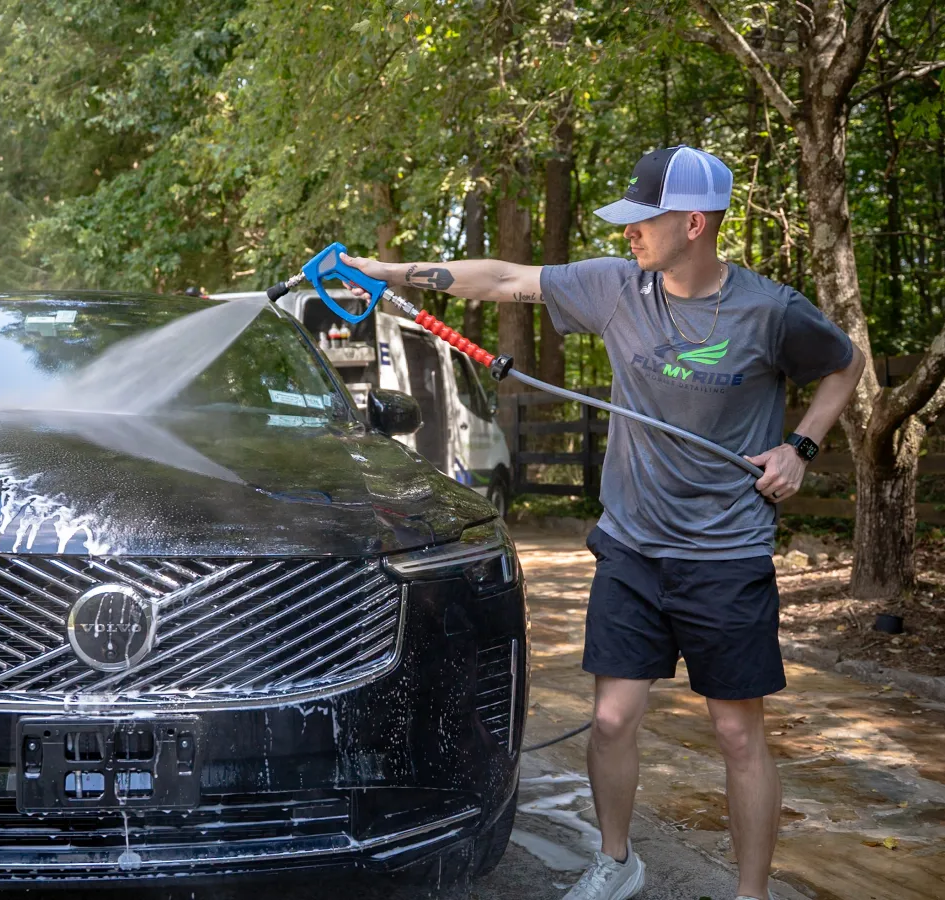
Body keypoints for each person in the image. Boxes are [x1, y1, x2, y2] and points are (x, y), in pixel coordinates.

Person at [341, 145, 865, 900]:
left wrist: (801, 446)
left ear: (693, 222)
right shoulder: (619, 288)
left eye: (642, 220)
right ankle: (617, 863)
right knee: (613, 720)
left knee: (735, 732)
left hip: (725, 553)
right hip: (631, 548)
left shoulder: (770, 311)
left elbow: (842, 365)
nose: (628, 233)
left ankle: (751, 893)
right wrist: (395, 274)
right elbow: (508, 280)